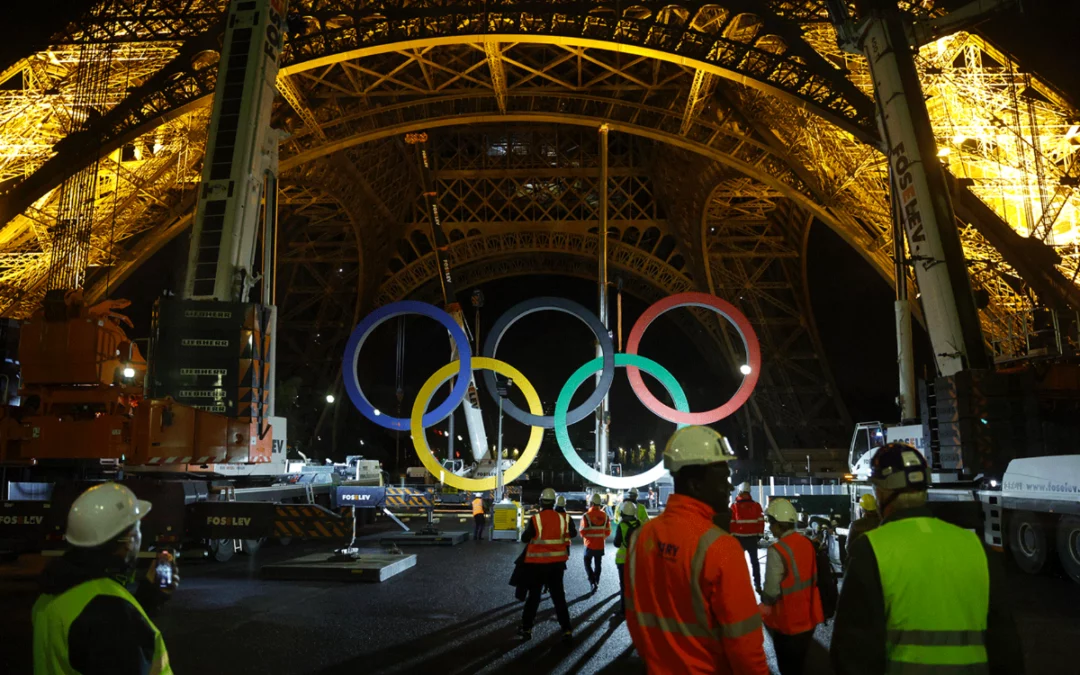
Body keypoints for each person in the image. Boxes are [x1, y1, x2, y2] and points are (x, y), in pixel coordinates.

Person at [831, 443, 1024, 675]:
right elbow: (1006, 646)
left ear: (881, 492)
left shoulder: (870, 549)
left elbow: (853, 652)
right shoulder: (976, 548)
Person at [625, 426, 769, 674]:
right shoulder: (720, 548)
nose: (729, 487)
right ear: (695, 485)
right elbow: (746, 647)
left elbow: (634, 616)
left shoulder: (641, 537)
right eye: (722, 478)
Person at [33, 483, 179, 675]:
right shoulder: (110, 611)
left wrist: (148, 598)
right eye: (137, 530)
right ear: (128, 541)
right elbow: (111, 631)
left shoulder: (50, 595)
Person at [759, 498, 824, 675]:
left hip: (788, 622)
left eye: (770, 523)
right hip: (809, 617)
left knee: (788, 668)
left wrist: (762, 601)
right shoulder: (807, 543)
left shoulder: (777, 551)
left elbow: (771, 592)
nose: (770, 528)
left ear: (778, 524)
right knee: (801, 664)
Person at [519, 487, 576, 641]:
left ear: (541, 501)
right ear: (554, 502)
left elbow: (525, 538)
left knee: (534, 598)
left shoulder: (535, 519)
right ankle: (567, 629)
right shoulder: (562, 519)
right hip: (557, 565)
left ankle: (527, 628)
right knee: (559, 598)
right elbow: (571, 534)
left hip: (537, 565)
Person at [730, 481, 765, 593]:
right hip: (752, 539)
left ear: (739, 492)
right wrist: (759, 535)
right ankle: (757, 585)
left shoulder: (734, 506)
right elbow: (761, 522)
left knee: (736, 563)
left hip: (739, 539)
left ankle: (736, 585)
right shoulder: (756, 506)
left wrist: (732, 536)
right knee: (755, 562)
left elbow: (732, 523)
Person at [580, 493, 612, 594]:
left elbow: (582, 531)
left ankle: (592, 580)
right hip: (600, 544)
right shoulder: (605, 516)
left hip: (589, 545)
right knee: (598, 564)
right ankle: (597, 580)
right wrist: (601, 537)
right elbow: (608, 531)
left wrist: (588, 538)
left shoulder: (586, 516)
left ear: (591, 503)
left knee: (587, 562)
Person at [613, 501, 641, 614]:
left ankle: (623, 610)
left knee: (624, 585)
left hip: (622, 560)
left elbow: (616, 543)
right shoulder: (639, 524)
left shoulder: (622, 525)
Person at [845, 493, 880, 562]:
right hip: (880, 562)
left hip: (862, 563)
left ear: (862, 509)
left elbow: (849, 548)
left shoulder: (855, 525)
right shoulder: (883, 522)